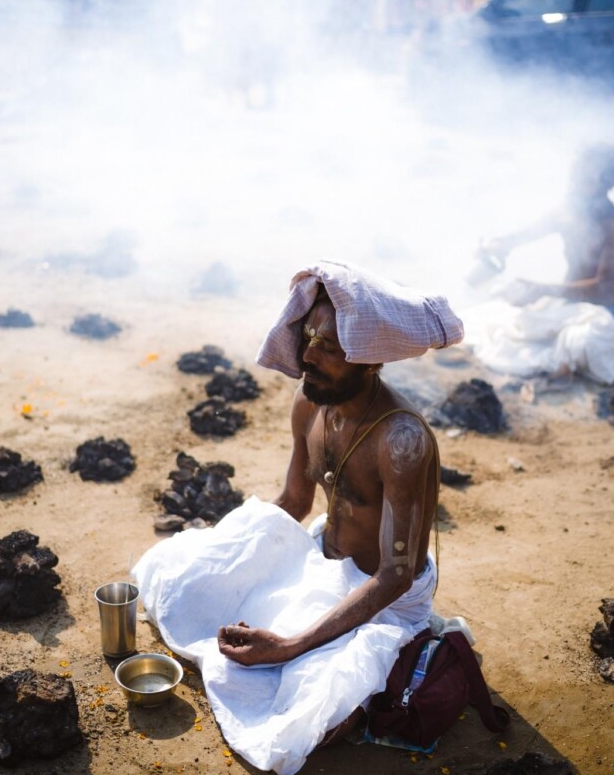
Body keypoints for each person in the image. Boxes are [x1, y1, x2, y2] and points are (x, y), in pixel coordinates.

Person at [132, 260, 463, 775]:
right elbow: (293, 502)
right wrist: (226, 547)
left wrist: (292, 644)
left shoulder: (401, 441)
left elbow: (396, 575)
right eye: (309, 337)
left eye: (328, 348)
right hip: (321, 555)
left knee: (310, 725)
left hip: (386, 596)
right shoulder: (310, 403)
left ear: (369, 362)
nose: (308, 355)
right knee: (180, 575)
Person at [470, 142, 614, 327]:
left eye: (582, 179)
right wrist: (495, 245)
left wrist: (543, 290)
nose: (573, 185)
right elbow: (523, 235)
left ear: (605, 182)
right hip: (566, 304)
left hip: (602, 316)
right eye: (573, 178)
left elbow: (610, 291)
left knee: (585, 343)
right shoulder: (567, 212)